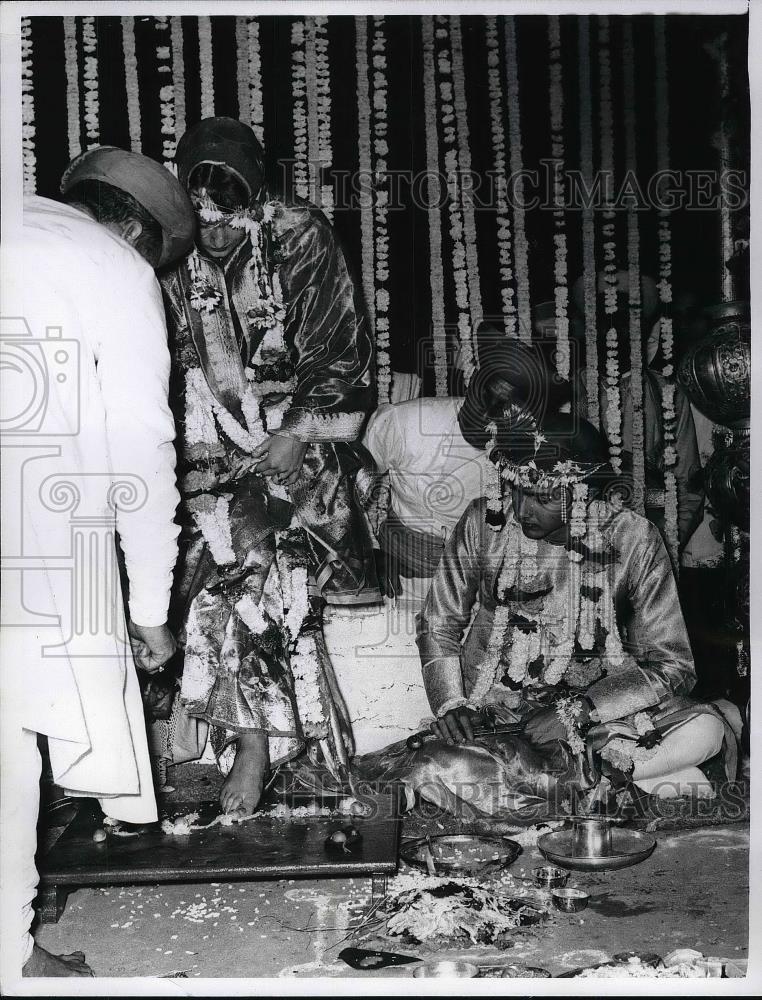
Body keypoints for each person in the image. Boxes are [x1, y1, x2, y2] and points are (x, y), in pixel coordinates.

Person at [1, 147, 195, 978]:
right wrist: (151, 609)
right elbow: (141, 455)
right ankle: (11, 960)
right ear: (135, 232)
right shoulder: (113, 265)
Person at [357, 414, 737, 822]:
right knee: (437, 761)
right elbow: (439, 623)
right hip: (498, 714)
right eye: (517, 491)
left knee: (709, 730)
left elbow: (671, 663)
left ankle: (606, 775)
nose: (523, 509)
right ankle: (616, 781)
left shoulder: (634, 538)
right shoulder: (484, 524)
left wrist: (580, 709)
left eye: (543, 497)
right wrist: (452, 703)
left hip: (601, 712)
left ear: (586, 490)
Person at [158, 117, 378, 817]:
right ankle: (196, 737)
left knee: (250, 558)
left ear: (259, 203)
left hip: (300, 449)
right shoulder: (165, 245)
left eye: (232, 223)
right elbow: (161, 371)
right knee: (181, 555)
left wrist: (298, 432)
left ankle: (254, 746)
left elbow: (342, 357)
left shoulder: (300, 233)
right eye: (204, 226)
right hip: (200, 452)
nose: (215, 238)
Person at [364, 320, 572, 603]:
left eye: (507, 407)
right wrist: (369, 552)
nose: (488, 412)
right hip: (402, 584)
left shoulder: (537, 456)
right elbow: (345, 488)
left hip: (486, 595)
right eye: (487, 394)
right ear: (474, 381)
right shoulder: (405, 422)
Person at [570, 270, 703, 551]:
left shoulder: (668, 393)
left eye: (623, 321)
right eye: (604, 321)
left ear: (641, 331)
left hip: (651, 543)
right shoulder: (568, 391)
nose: (613, 332)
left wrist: (661, 549)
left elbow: (687, 486)